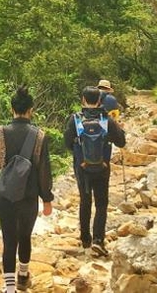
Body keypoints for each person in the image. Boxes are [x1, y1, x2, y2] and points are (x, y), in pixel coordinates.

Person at [0, 85, 53, 292]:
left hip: (6, 195)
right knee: (25, 236)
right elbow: (44, 170)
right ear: (31, 110)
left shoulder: (0, 133)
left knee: (9, 240)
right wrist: (47, 199)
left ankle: (9, 289)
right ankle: (23, 276)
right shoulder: (39, 136)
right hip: (29, 196)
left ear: (12, 109)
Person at [62, 82, 126, 256]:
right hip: (102, 167)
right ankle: (98, 240)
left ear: (83, 100)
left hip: (82, 168)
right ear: (100, 100)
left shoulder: (75, 119)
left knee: (85, 201)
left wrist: (80, 153)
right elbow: (121, 142)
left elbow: (67, 143)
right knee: (102, 203)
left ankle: (85, 239)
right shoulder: (107, 120)